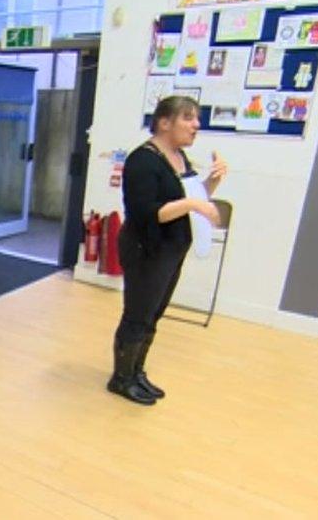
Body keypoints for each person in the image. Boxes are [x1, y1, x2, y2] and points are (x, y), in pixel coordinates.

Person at [107, 96, 228, 406]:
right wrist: (194, 204)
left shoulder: (178, 157)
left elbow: (187, 197)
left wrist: (210, 184)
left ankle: (136, 372)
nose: (196, 125)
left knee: (153, 314)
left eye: (196, 118)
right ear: (164, 122)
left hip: (171, 249)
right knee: (138, 313)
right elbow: (148, 212)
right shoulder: (142, 160)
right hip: (146, 248)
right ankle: (121, 378)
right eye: (188, 118)